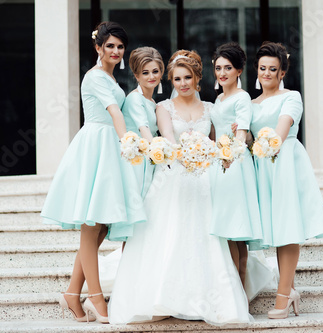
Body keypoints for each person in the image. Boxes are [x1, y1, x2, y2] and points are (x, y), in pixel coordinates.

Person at [108, 50, 252, 326]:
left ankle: (206, 299)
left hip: (204, 178)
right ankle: (162, 298)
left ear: (197, 77)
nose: (183, 83)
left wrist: (216, 147)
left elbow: (217, 140)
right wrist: (188, 153)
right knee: (169, 234)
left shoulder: (211, 107)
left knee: (205, 237)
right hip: (172, 176)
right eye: (176, 79)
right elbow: (169, 140)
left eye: (187, 77)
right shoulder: (164, 107)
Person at [40, 21, 146, 324]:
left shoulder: (112, 78)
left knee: (100, 227)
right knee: (92, 225)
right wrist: (128, 142)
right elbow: (114, 112)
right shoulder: (96, 77)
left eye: (119, 46)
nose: (115, 51)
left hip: (109, 145)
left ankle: (73, 292)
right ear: (98, 47)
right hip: (97, 147)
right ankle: (97, 300)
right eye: (109, 45)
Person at [250, 41, 323, 319]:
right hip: (261, 167)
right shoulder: (250, 104)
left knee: (287, 228)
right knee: (275, 230)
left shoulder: (291, 96)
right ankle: (290, 288)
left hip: (284, 162)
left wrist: (267, 144)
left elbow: (281, 130)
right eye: (262, 68)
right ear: (257, 70)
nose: (267, 73)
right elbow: (246, 137)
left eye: (273, 69)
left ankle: (283, 296)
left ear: (282, 72)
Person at [209, 42, 263, 288]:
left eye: (228, 68)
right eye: (218, 68)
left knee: (234, 230)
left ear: (239, 70)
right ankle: (237, 290)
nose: (222, 73)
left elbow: (242, 133)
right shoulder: (219, 98)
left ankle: (237, 289)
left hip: (234, 165)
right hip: (218, 164)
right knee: (231, 233)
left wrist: (230, 155)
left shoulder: (242, 98)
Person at [108, 47, 164, 242]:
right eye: (145, 73)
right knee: (133, 223)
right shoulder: (134, 99)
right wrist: (164, 155)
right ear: (136, 75)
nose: (151, 77)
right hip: (135, 166)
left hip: (147, 163)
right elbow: (144, 130)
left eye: (155, 71)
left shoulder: (152, 101)